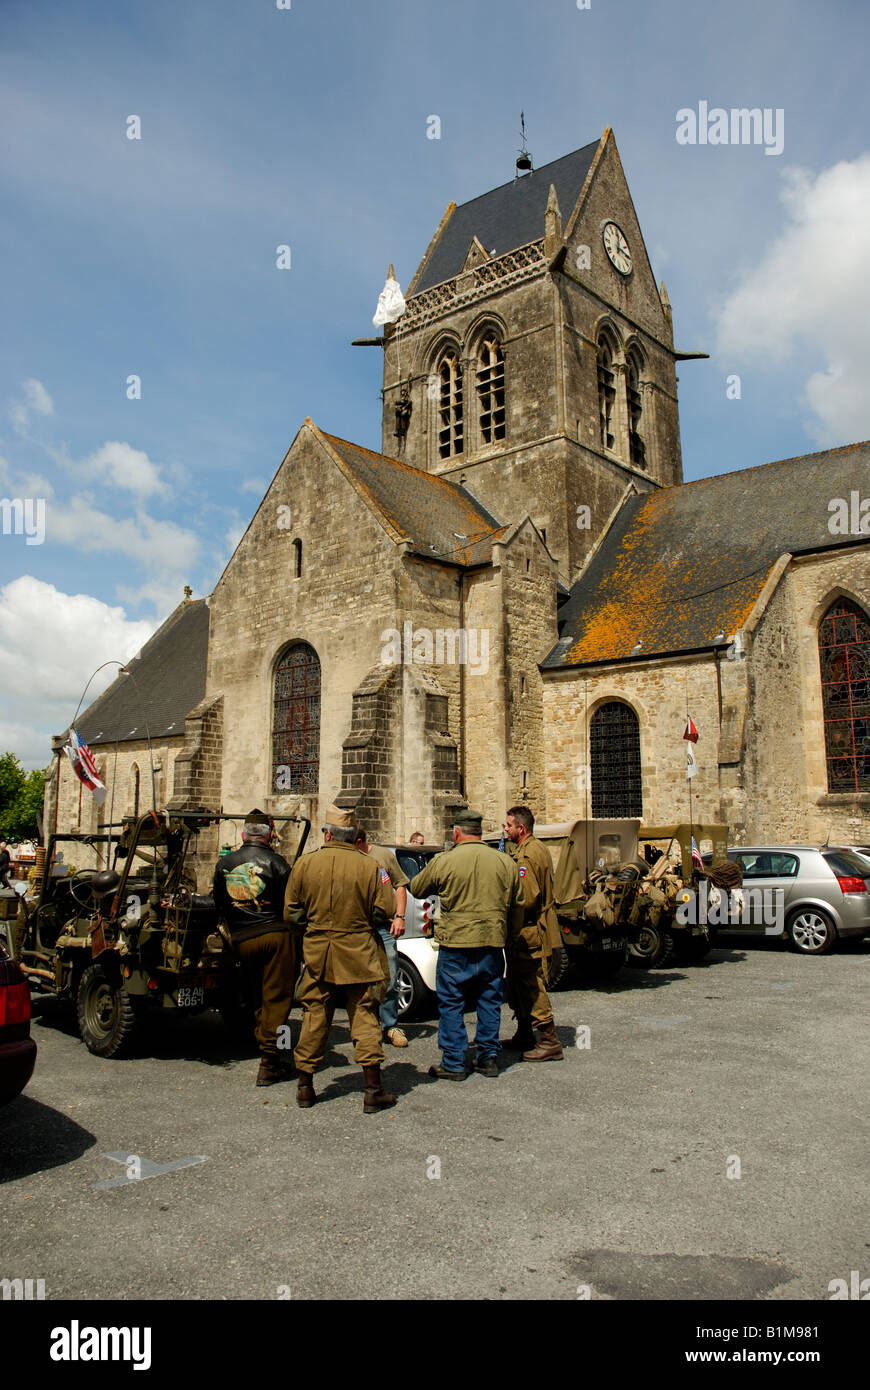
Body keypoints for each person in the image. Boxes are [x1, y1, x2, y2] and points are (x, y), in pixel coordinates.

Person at [284, 804, 397, 1114]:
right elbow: (384, 910)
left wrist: (313, 928)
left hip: (319, 952)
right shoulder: (371, 866)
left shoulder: (306, 864)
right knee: (364, 1016)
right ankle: (373, 1090)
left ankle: (305, 1087)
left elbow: (291, 913)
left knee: (315, 1015)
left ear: (328, 833)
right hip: (359, 951)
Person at [408, 809, 524, 1080]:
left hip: (456, 943)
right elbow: (519, 904)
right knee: (489, 1000)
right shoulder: (504, 862)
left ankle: (454, 1062)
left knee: (451, 1002)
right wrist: (510, 934)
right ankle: (488, 1058)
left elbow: (416, 887)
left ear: (457, 833)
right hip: (491, 942)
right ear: (480, 833)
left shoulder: (444, 861)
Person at [212, 809, 295, 1087]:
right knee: (279, 999)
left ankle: (266, 1044)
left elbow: (220, 901)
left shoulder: (226, 863)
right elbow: (289, 903)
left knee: (256, 995)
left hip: (242, 938)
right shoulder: (278, 863)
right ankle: (274, 1058)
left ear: (243, 835)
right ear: (269, 836)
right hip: (274, 935)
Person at [502, 805, 564, 1062]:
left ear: (521, 828)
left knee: (531, 983)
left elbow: (525, 898)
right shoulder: (537, 848)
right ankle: (525, 1032)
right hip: (528, 928)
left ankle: (549, 1040)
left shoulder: (526, 856)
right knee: (518, 982)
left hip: (528, 929)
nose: (505, 830)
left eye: (508, 826)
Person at [354, 827, 409, 1048]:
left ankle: (390, 1025)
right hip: (358, 927)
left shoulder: (383, 855)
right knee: (357, 979)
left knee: (390, 976)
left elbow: (401, 885)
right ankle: (365, 1027)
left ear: (358, 841)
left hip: (383, 927)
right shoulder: (347, 857)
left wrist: (400, 917)